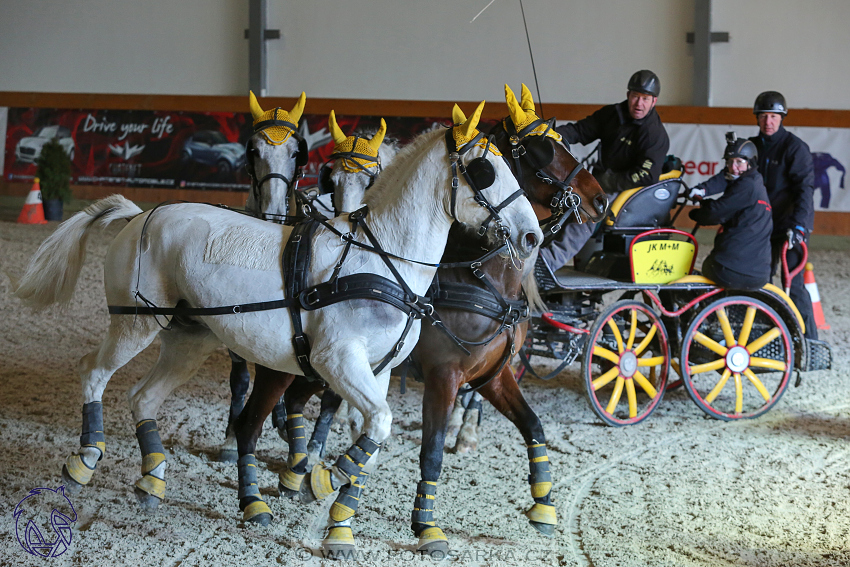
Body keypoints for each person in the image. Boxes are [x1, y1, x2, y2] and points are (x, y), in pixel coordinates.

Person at [540, 70, 670, 274]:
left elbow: (646, 176)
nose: (639, 103)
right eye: (636, 96)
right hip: (600, 180)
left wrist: (608, 182)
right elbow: (580, 131)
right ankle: (535, 249)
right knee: (559, 197)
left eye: (645, 99)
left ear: (654, 102)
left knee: (585, 211)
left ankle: (546, 263)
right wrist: (552, 135)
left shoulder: (654, 134)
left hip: (630, 191)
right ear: (628, 95)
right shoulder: (612, 114)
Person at [748, 91, 818, 338]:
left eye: (774, 116)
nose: (769, 121)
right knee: (759, 282)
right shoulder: (750, 147)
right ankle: (761, 336)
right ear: (757, 118)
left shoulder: (795, 148)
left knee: (795, 286)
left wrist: (800, 226)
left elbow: (804, 190)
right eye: (764, 116)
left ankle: (810, 343)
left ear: (782, 118)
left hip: (789, 227)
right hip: (760, 228)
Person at [687, 133, 773, 290]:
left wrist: (696, 214)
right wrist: (703, 189)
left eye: (739, 162)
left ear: (750, 163)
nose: (734, 167)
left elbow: (714, 213)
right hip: (758, 271)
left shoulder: (746, 187)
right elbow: (726, 177)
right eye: (729, 161)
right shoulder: (753, 180)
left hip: (735, 271)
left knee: (708, 265)